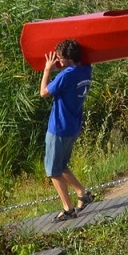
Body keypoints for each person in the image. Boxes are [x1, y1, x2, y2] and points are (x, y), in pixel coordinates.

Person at [40, 38, 93, 221]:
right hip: (73, 127)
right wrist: (63, 66)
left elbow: (44, 93)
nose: (58, 61)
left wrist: (47, 70)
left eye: (61, 58)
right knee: (62, 166)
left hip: (59, 128)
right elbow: (72, 70)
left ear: (68, 58)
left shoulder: (65, 76)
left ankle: (68, 209)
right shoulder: (86, 70)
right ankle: (82, 193)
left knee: (54, 171)